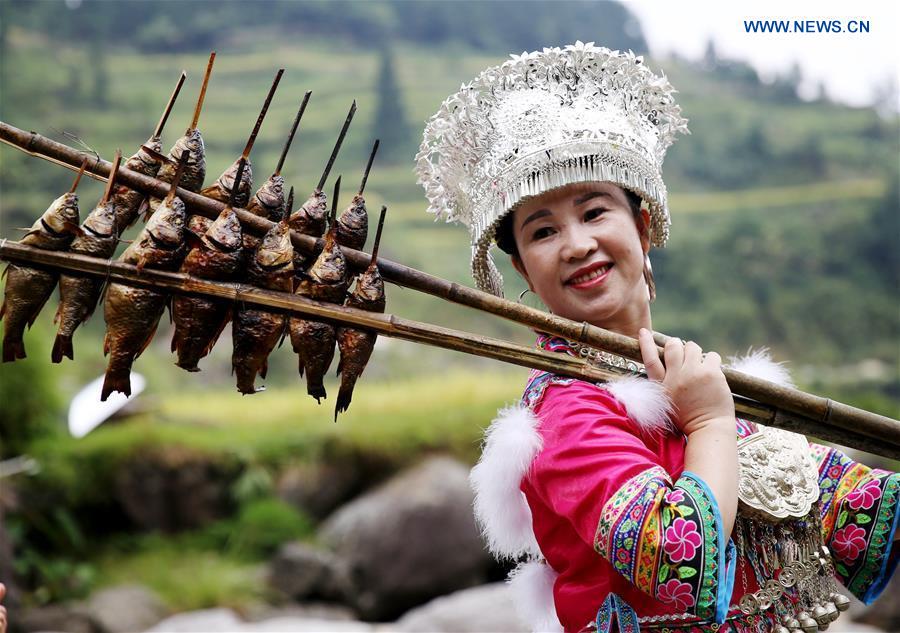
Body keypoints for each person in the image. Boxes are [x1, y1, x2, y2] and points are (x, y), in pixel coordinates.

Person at [416, 42, 899, 632]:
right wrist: (711, 425)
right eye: (543, 231)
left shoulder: (680, 374)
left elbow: (859, 507)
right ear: (523, 272)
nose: (575, 244)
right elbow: (680, 557)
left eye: (594, 212)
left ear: (643, 227)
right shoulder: (565, 416)